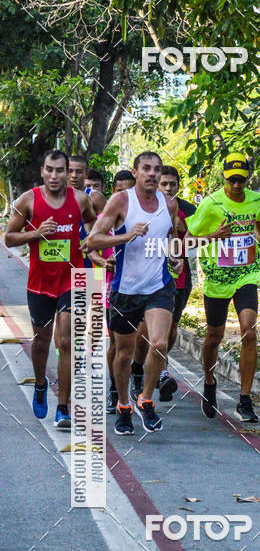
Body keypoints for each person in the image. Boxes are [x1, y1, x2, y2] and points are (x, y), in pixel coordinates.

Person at [85, 151, 182, 435]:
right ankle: (124, 406)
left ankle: (146, 400)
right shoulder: (121, 201)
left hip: (158, 286)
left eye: (157, 169)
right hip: (125, 289)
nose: (152, 174)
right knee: (124, 353)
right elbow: (93, 240)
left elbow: (170, 239)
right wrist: (125, 237)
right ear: (136, 172)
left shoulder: (170, 204)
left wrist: (174, 257)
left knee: (160, 344)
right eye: (146, 169)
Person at [4, 149, 96, 427]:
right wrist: (36, 233)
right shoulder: (28, 200)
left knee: (66, 341)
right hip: (40, 283)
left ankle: (64, 407)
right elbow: (9, 238)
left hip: (72, 280)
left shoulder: (80, 199)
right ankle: (42, 384)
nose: (54, 175)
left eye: (60, 170)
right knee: (41, 342)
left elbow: (93, 220)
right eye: (50, 170)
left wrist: (90, 239)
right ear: (42, 171)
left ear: (68, 173)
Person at [185, 152, 260, 423]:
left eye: (241, 180)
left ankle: (244, 400)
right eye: (232, 179)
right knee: (214, 336)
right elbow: (189, 240)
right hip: (217, 278)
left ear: (247, 178)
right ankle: (209, 381)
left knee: (249, 332)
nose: (236, 185)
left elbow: (256, 229)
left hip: (246, 274)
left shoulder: (257, 200)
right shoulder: (211, 204)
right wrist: (214, 236)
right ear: (224, 176)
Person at [129, 166, 196, 402]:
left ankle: (161, 371)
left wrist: (184, 232)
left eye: (172, 184)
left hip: (177, 278)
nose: (168, 188)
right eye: (164, 184)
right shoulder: (143, 206)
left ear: (179, 185)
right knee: (142, 333)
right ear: (157, 185)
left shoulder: (189, 210)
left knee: (170, 329)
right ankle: (137, 369)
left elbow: (199, 241)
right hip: (145, 278)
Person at [97, 170, 136, 414]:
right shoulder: (105, 217)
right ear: (113, 190)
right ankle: (115, 390)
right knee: (116, 343)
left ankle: (138, 379)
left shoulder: (145, 214)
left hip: (141, 288)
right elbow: (88, 246)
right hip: (113, 287)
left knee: (139, 341)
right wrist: (103, 262)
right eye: (120, 189)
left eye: (128, 190)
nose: (124, 194)